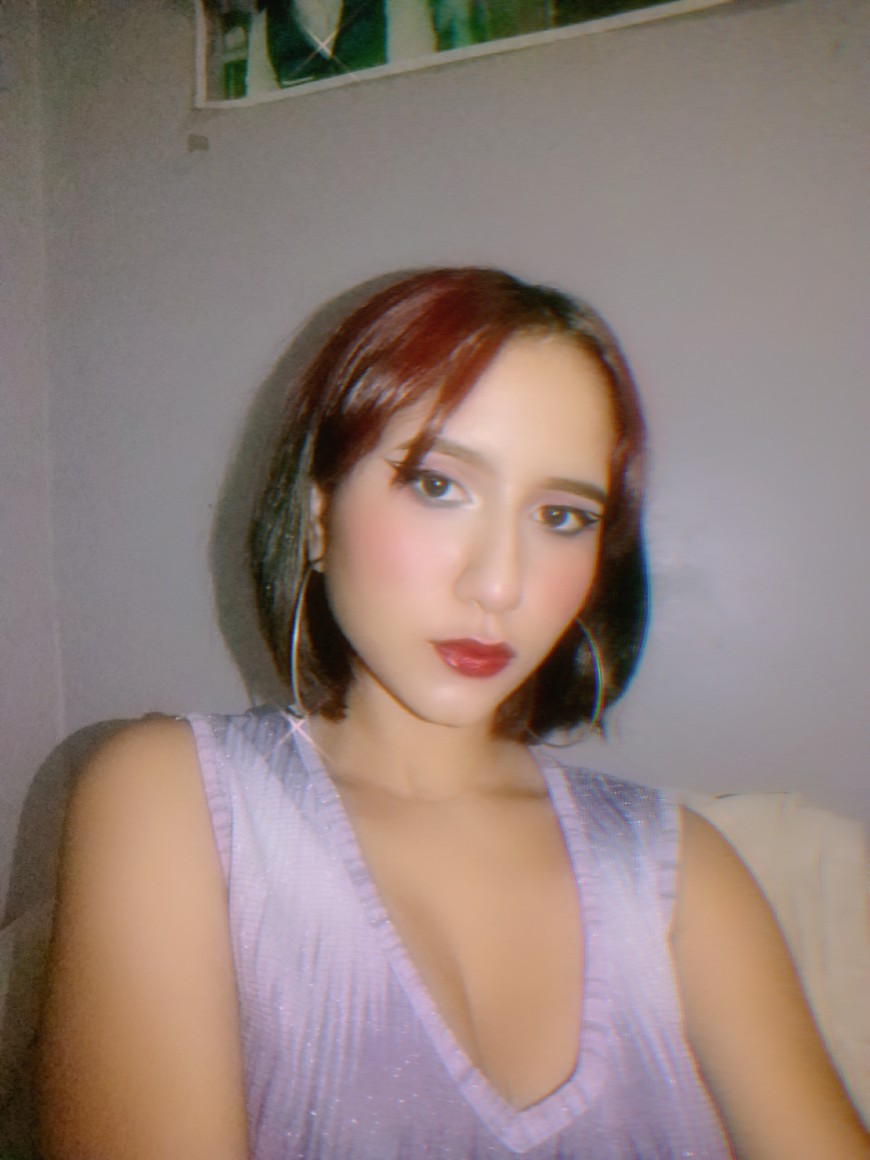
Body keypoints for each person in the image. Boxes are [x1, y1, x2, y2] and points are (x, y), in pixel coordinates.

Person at [37, 269, 868, 1158]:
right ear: (317, 517)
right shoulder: (174, 801)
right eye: (438, 486)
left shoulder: (682, 874)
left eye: (561, 515)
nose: (499, 584)